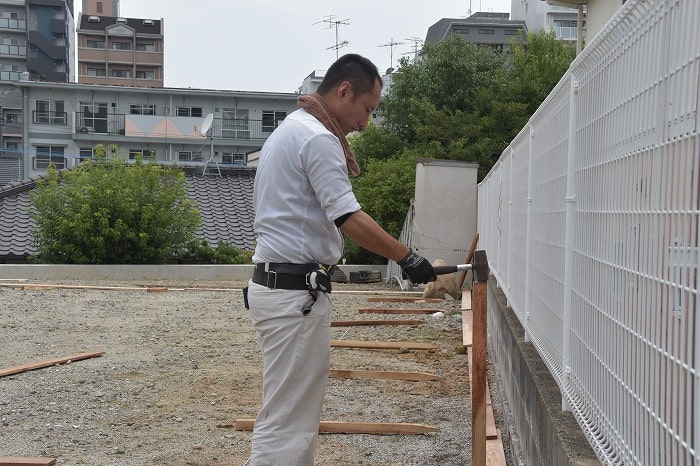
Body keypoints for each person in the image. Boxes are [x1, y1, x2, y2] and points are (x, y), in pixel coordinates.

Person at [245, 53, 436, 465]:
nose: (366, 122)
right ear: (344, 91)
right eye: (367, 109)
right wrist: (407, 257)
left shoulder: (291, 130)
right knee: (287, 422)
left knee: (291, 416)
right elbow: (348, 216)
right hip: (293, 294)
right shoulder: (317, 138)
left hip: (281, 287)